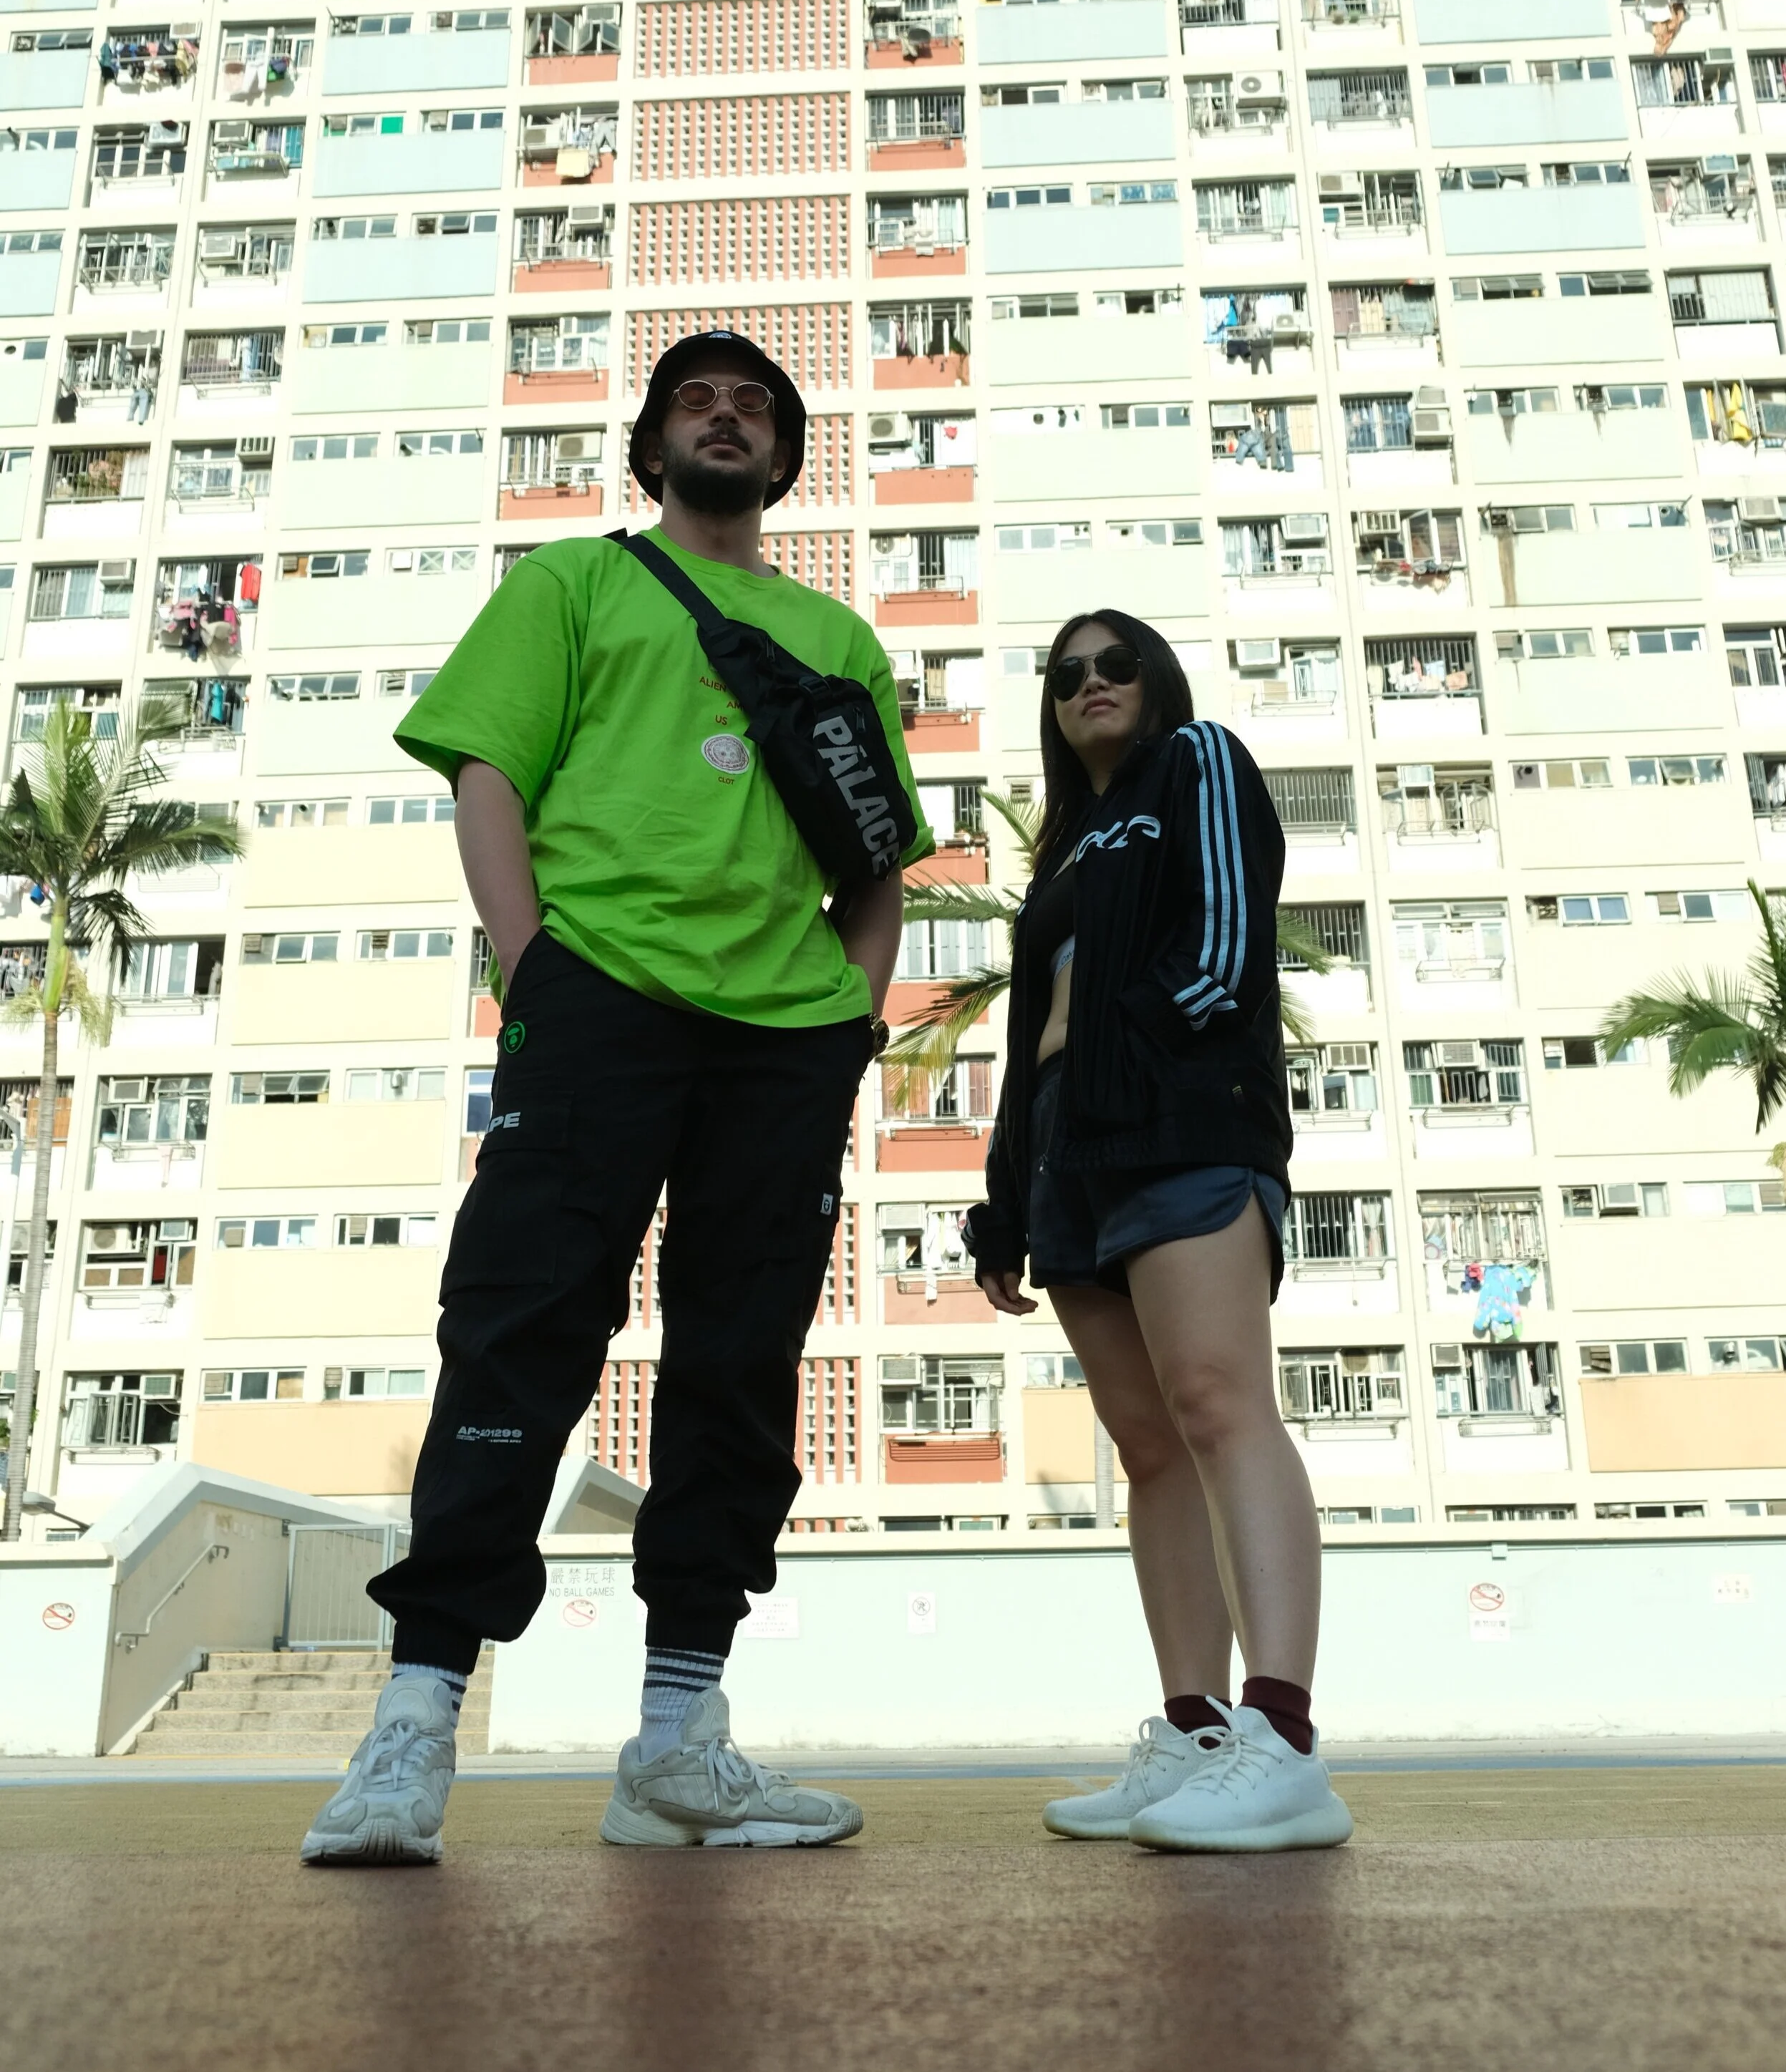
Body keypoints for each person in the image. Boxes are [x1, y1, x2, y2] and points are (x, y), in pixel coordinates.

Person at [300, 330, 933, 1863]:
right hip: (598, 1000)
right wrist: (532, 968)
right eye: (695, 402)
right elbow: (489, 777)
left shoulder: (838, 639)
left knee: (740, 1366)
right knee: (517, 1333)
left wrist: (848, 1024)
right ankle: (413, 1727)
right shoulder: (572, 584)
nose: (726, 418)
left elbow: (876, 864)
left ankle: (678, 1741)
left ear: (785, 457)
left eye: (754, 407)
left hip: (785, 1037)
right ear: (650, 447)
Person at [966, 611, 1353, 1854]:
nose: (1092, 683)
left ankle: (1282, 1739)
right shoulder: (1062, 851)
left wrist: (1139, 1047)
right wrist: (1005, 1200)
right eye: (1067, 674)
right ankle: (1193, 1736)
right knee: (1148, 1449)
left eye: (1115, 664)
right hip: (1068, 1153)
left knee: (1217, 1401)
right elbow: (1030, 1033)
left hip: (1181, 1123)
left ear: (1156, 679)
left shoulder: (1197, 760)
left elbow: (1228, 944)